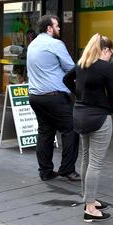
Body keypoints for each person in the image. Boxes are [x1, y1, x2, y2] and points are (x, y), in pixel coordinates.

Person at [63, 34, 113, 223]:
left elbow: (66, 79)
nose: (111, 56)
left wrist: (79, 95)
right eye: (111, 53)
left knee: (86, 158)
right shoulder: (106, 67)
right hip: (99, 117)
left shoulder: (82, 64)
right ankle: (90, 208)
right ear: (106, 50)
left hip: (79, 115)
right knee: (95, 163)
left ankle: (88, 198)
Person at [27, 14, 80, 181]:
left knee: (45, 133)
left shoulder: (32, 44)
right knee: (71, 130)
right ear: (49, 28)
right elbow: (71, 68)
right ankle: (67, 169)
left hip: (36, 97)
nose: (59, 29)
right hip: (55, 97)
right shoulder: (55, 44)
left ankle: (45, 171)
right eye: (57, 26)